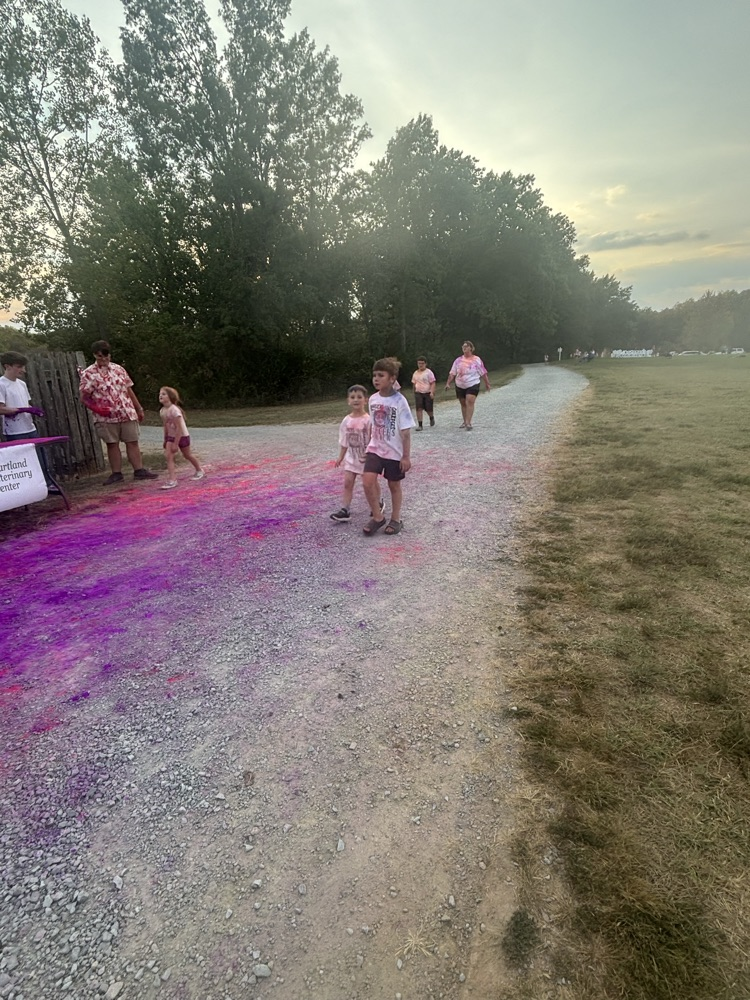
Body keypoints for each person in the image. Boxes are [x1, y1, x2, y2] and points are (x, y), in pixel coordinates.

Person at [78, 340, 158, 485]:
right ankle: (116, 473)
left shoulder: (118, 369)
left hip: (126, 411)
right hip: (106, 417)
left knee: (132, 441)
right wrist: (97, 409)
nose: (104, 359)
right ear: (95, 355)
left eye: (106, 356)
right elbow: (84, 398)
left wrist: (138, 408)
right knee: (112, 443)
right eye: (100, 356)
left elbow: (128, 389)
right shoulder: (88, 374)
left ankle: (139, 470)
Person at [362, 357, 415, 536]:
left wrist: (406, 456)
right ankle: (378, 517)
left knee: (394, 485)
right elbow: (373, 425)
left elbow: (406, 432)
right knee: (367, 481)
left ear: (392, 378)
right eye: (374, 375)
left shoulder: (400, 402)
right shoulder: (372, 399)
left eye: (381, 375)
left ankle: (396, 518)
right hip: (375, 448)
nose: (376, 379)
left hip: (394, 452)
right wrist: (367, 445)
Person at [0, 351, 58, 493]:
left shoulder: (22, 384)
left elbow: (26, 403)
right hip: (14, 431)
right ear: (7, 366)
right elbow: (1, 409)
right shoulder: (1, 384)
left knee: (41, 458)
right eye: (19, 366)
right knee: (21, 462)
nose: (23, 370)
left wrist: (32, 410)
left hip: (29, 427)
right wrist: (19, 410)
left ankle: (47, 484)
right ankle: (26, 490)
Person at [330, 384, 384, 522]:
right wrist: (340, 457)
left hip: (367, 458)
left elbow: (375, 439)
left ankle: (377, 504)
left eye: (359, 397)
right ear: (348, 400)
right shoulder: (346, 421)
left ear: (365, 400)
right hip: (351, 458)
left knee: (371, 483)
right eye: (352, 397)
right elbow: (344, 441)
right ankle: (345, 510)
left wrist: (374, 455)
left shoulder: (369, 420)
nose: (356, 400)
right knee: (348, 482)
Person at [158, 386, 205, 490]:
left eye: (164, 394)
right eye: (160, 394)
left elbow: (179, 428)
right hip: (171, 437)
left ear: (170, 397)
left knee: (187, 455)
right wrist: (165, 439)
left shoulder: (174, 410)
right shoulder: (162, 411)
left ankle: (199, 470)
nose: (160, 395)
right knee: (168, 456)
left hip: (182, 436)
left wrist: (176, 443)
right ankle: (172, 480)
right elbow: (165, 425)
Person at [444, 340, 491, 430]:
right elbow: (452, 373)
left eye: (466, 346)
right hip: (460, 384)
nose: (464, 348)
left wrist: (487, 383)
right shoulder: (458, 360)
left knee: (469, 401)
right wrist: (448, 383)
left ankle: (468, 423)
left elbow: (483, 372)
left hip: (473, 383)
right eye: (463, 346)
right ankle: (465, 420)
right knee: (463, 403)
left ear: (471, 348)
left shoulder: (476, 360)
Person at [411, 356, 436, 430]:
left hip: (427, 392)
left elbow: (433, 383)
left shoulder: (429, 372)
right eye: (419, 363)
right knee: (419, 408)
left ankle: (431, 417)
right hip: (418, 393)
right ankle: (420, 425)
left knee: (428, 409)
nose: (421, 365)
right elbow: (414, 383)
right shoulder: (415, 373)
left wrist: (432, 392)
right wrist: (414, 391)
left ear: (425, 364)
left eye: (422, 363)